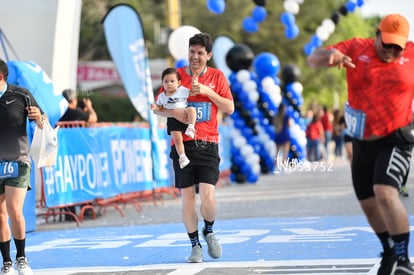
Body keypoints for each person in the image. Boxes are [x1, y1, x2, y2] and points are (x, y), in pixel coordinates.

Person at [307, 13, 414, 275]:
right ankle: (389, 252)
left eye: (396, 47)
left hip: (396, 137)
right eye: (386, 43)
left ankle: (404, 260)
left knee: (385, 191)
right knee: (367, 203)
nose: (390, 51)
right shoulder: (356, 48)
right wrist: (331, 57)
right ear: (376, 35)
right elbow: (314, 58)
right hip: (363, 139)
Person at [152, 32, 234, 263]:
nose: (195, 57)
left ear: (209, 55)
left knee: (207, 197)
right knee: (187, 198)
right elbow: (158, 106)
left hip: (208, 144)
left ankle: (209, 229)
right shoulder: (175, 76)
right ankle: (194, 245)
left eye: (200, 53)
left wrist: (208, 92)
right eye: (192, 52)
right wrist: (177, 113)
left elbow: (230, 107)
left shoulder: (217, 77)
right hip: (182, 147)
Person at [0, 59, 43, 275]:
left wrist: (39, 118)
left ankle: (21, 258)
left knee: (14, 209)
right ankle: (6, 262)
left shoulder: (21, 94)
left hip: (18, 160)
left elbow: (42, 118)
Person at [59, 89, 98, 221]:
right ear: (72, 100)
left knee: (68, 181)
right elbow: (93, 119)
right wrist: (90, 107)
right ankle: (85, 209)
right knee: (82, 179)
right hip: (78, 151)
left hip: (64, 152)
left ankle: (68, 212)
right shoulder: (74, 112)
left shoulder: (60, 114)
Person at [151, 67, 197, 169]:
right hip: (172, 119)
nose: (169, 84)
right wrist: (155, 107)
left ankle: (191, 127)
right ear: (162, 83)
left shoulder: (182, 90)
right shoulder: (162, 96)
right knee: (177, 139)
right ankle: (182, 157)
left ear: (179, 83)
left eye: (172, 81)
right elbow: (159, 107)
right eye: (166, 81)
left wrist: (195, 84)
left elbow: (193, 93)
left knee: (192, 110)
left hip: (184, 113)